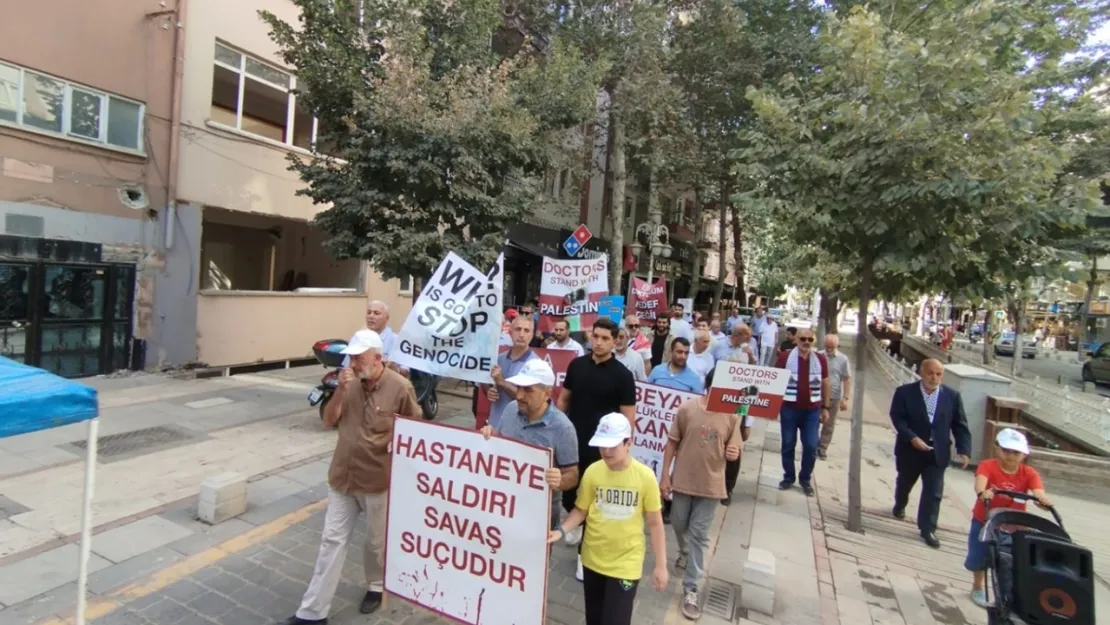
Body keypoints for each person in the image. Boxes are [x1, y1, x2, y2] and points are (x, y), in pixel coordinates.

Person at [281, 330, 421, 625]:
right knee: (331, 542)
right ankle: (312, 613)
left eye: (359, 357)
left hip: (377, 480)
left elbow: (416, 427)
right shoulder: (348, 383)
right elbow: (328, 420)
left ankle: (376, 585)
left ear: (377, 358)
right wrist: (342, 392)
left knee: (375, 543)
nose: (354, 363)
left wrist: (400, 445)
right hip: (342, 476)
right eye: (352, 357)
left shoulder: (400, 387)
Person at [548, 414, 669, 625]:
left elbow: (655, 523)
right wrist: (561, 530)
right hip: (592, 560)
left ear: (628, 443)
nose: (606, 451)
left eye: (613, 446)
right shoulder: (593, 472)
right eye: (602, 445)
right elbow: (580, 511)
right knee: (594, 619)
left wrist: (661, 565)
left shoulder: (645, 477)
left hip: (626, 564)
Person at [557, 317, 638, 580]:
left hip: (604, 449)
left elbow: (628, 418)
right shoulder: (576, 365)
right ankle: (575, 522)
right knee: (569, 494)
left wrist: (623, 450)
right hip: (572, 441)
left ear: (615, 341)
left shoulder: (623, 376)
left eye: (605, 338)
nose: (599, 342)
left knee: (593, 502)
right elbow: (563, 400)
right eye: (596, 336)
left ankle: (584, 556)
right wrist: (554, 430)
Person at [661, 367, 742, 620]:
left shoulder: (733, 414)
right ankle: (684, 552)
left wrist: (734, 452)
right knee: (678, 522)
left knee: (700, 535)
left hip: (711, 485)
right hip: (683, 480)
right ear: (710, 386)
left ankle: (691, 588)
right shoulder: (687, 409)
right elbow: (672, 442)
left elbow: (735, 446)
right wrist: (665, 475)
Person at [480, 359, 579, 531]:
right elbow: (500, 441)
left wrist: (559, 480)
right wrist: (490, 434)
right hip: (504, 503)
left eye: (528, 391)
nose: (519, 395)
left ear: (547, 393)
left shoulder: (563, 428)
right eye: (518, 388)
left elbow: (572, 475)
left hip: (538, 512)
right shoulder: (511, 409)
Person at [889, 358, 972, 549]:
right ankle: (900, 504)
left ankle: (928, 528)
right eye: (930, 373)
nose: (934, 378)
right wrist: (911, 437)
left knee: (934, 492)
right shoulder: (904, 393)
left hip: (937, 452)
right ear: (921, 373)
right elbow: (897, 418)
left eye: (938, 374)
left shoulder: (951, 396)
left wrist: (964, 449)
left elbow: (960, 425)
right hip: (910, 450)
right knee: (905, 482)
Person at [965, 428, 1050, 607]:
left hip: (1014, 524)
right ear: (997, 448)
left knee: (1010, 560)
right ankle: (977, 586)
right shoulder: (987, 465)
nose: (1011, 456)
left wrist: (1042, 501)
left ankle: (1008, 592)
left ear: (1024, 454)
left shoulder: (1029, 473)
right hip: (985, 519)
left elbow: (1038, 493)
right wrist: (983, 492)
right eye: (1006, 450)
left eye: (1016, 452)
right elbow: (980, 483)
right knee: (979, 555)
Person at [773, 328, 829, 497]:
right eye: (803, 339)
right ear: (796, 340)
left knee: (811, 445)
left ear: (814, 341)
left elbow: (826, 383)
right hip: (789, 409)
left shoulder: (820, 359)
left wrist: (826, 408)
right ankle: (788, 477)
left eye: (810, 339)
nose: (806, 342)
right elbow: (775, 380)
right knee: (788, 444)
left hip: (811, 411)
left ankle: (805, 479)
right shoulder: (784, 358)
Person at [484, 315, 539, 429]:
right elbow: (486, 384)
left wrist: (502, 382)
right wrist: (489, 390)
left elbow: (531, 401)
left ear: (532, 334)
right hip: (495, 425)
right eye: (518, 329)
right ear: (510, 332)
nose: (522, 335)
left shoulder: (536, 364)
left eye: (526, 330)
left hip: (519, 430)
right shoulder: (499, 359)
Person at [816, 334, 852, 460]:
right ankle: (812, 444)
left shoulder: (843, 359)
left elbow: (847, 379)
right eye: (827, 346)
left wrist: (845, 398)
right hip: (817, 395)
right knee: (813, 421)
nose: (829, 349)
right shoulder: (818, 355)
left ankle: (822, 448)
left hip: (834, 396)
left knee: (829, 425)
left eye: (831, 347)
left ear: (837, 345)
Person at [341, 300, 398, 369]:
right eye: (369, 312)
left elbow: (405, 372)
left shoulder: (396, 340)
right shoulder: (358, 337)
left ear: (387, 318)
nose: (371, 316)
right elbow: (346, 367)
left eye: (376, 313)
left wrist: (393, 367)